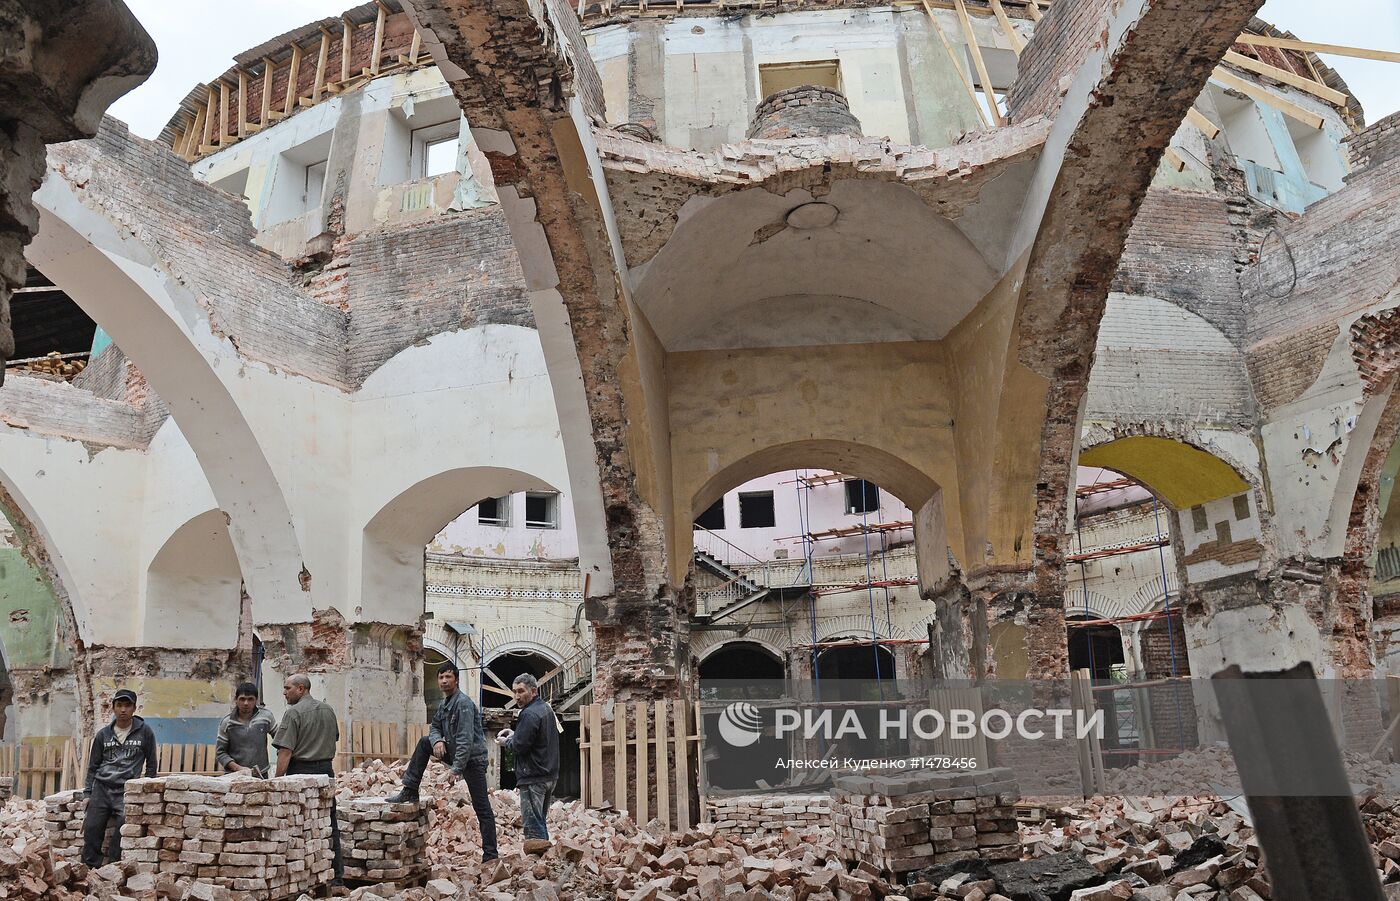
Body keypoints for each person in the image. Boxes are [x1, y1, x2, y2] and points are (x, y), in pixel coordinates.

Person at [387, 663, 497, 860]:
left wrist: (456, 769)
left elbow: (465, 739)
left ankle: (491, 854)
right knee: (424, 743)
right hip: (455, 753)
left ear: (456, 679)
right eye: (441, 678)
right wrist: (437, 740)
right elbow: (435, 726)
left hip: (472, 760)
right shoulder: (445, 704)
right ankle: (410, 790)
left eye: (448, 677)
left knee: (482, 808)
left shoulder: (463, 704)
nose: (444, 681)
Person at [272, 674, 344, 888]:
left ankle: (303, 879)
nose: (284, 692)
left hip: (301, 772)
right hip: (326, 771)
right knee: (330, 824)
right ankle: (337, 877)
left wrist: (277, 782)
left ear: (301, 689)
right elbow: (335, 738)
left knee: (299, 827)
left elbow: (285, 752)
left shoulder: (293, 713)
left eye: (287, 688)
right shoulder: (328, 709)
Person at [82, 688, 157, 867]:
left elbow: (152, 764)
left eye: (127, 705)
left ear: (134, 708)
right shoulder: (103, 735)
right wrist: (87, 793)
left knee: (124, 825)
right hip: (102, 788)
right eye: (119, 705)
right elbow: (93, 766)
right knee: (92, 826)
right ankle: (89, 868)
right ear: (113, 708)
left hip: (126, 790)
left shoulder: (145, 732)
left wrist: (146, 789)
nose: (123, 709)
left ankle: (114, 867)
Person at [495, 673, 559, 853]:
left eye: (521, 691)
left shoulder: (529, 713)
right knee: (540, 820)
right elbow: (534, 739)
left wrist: (505, 742)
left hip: (533, 776)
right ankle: (546, 860)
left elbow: (520, 746)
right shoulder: (545, 708)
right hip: (548, 774)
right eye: (515, 692)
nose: (517, 696)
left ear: (533, 691)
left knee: (533, 826)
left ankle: (538, 867)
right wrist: (515, 733)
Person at [215, 682, 278, 777]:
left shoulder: (266, 717)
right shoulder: (227, 722)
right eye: (242, 699)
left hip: (261, 774)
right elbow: (220, 753)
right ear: (236, 700)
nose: (246, 703)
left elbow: (280, 739)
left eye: (250, 699)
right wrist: (238, 768)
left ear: (256, 700)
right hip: (235, 775)